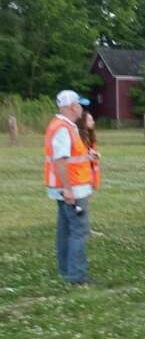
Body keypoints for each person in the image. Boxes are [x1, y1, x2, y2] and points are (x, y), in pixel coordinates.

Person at [44, 91, 98, 285]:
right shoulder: (63, 128)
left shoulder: (65, 126)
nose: (81, 108)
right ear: (71, 106)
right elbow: (61, 160)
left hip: (69, 187)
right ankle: (77, 277)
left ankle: (67, 272)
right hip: (72, 189)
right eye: (78, 104)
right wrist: (68, 189)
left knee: (65, 230)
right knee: (78, 231)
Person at [76, 108, 101, 190]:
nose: (93, 122)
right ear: (83, 122)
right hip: (79, 176)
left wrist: (94, 155)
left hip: (88, 174)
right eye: (90, 120)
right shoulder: (77, 138)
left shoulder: (90, 138)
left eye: (92, 120)